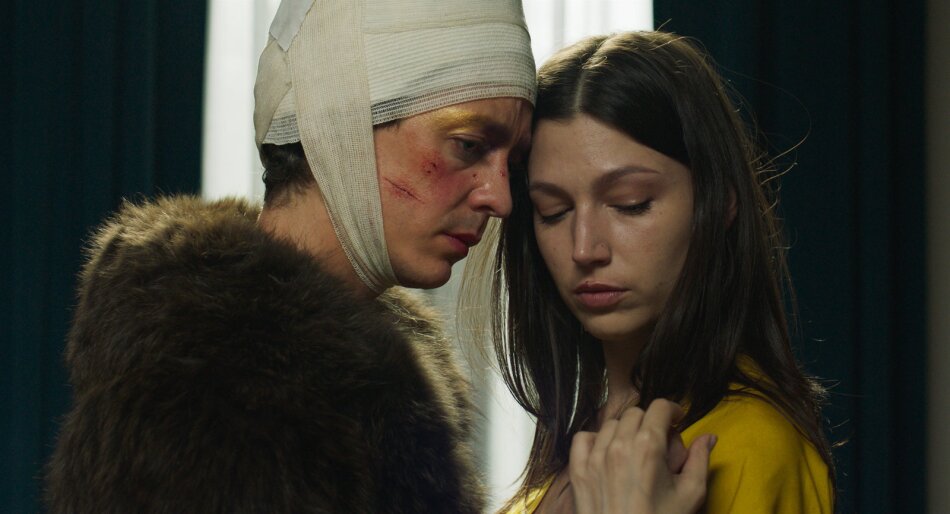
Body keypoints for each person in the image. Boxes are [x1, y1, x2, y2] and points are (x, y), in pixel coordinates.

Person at [44, 2, 708, 512]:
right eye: (468, 145)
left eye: (512, 161)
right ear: (339, 123)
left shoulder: (325, 380)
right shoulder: (208, 405)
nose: (502, 199)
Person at [485, 31, 836, 513]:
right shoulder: (576, 451)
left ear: (720, 201)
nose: (585, 248)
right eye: (553, 211)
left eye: (630, 204)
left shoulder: (749, 446)